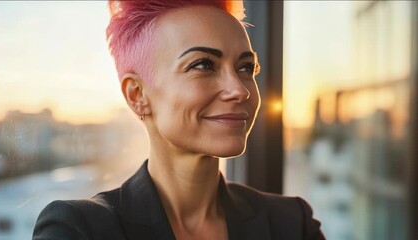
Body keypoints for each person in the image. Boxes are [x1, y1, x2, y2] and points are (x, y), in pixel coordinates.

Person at [33, 0, 325, 239]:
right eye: (203, 65)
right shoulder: (79, 230)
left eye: (246, 67)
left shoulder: (291, 224)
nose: (239, 89)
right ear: (137, 95)